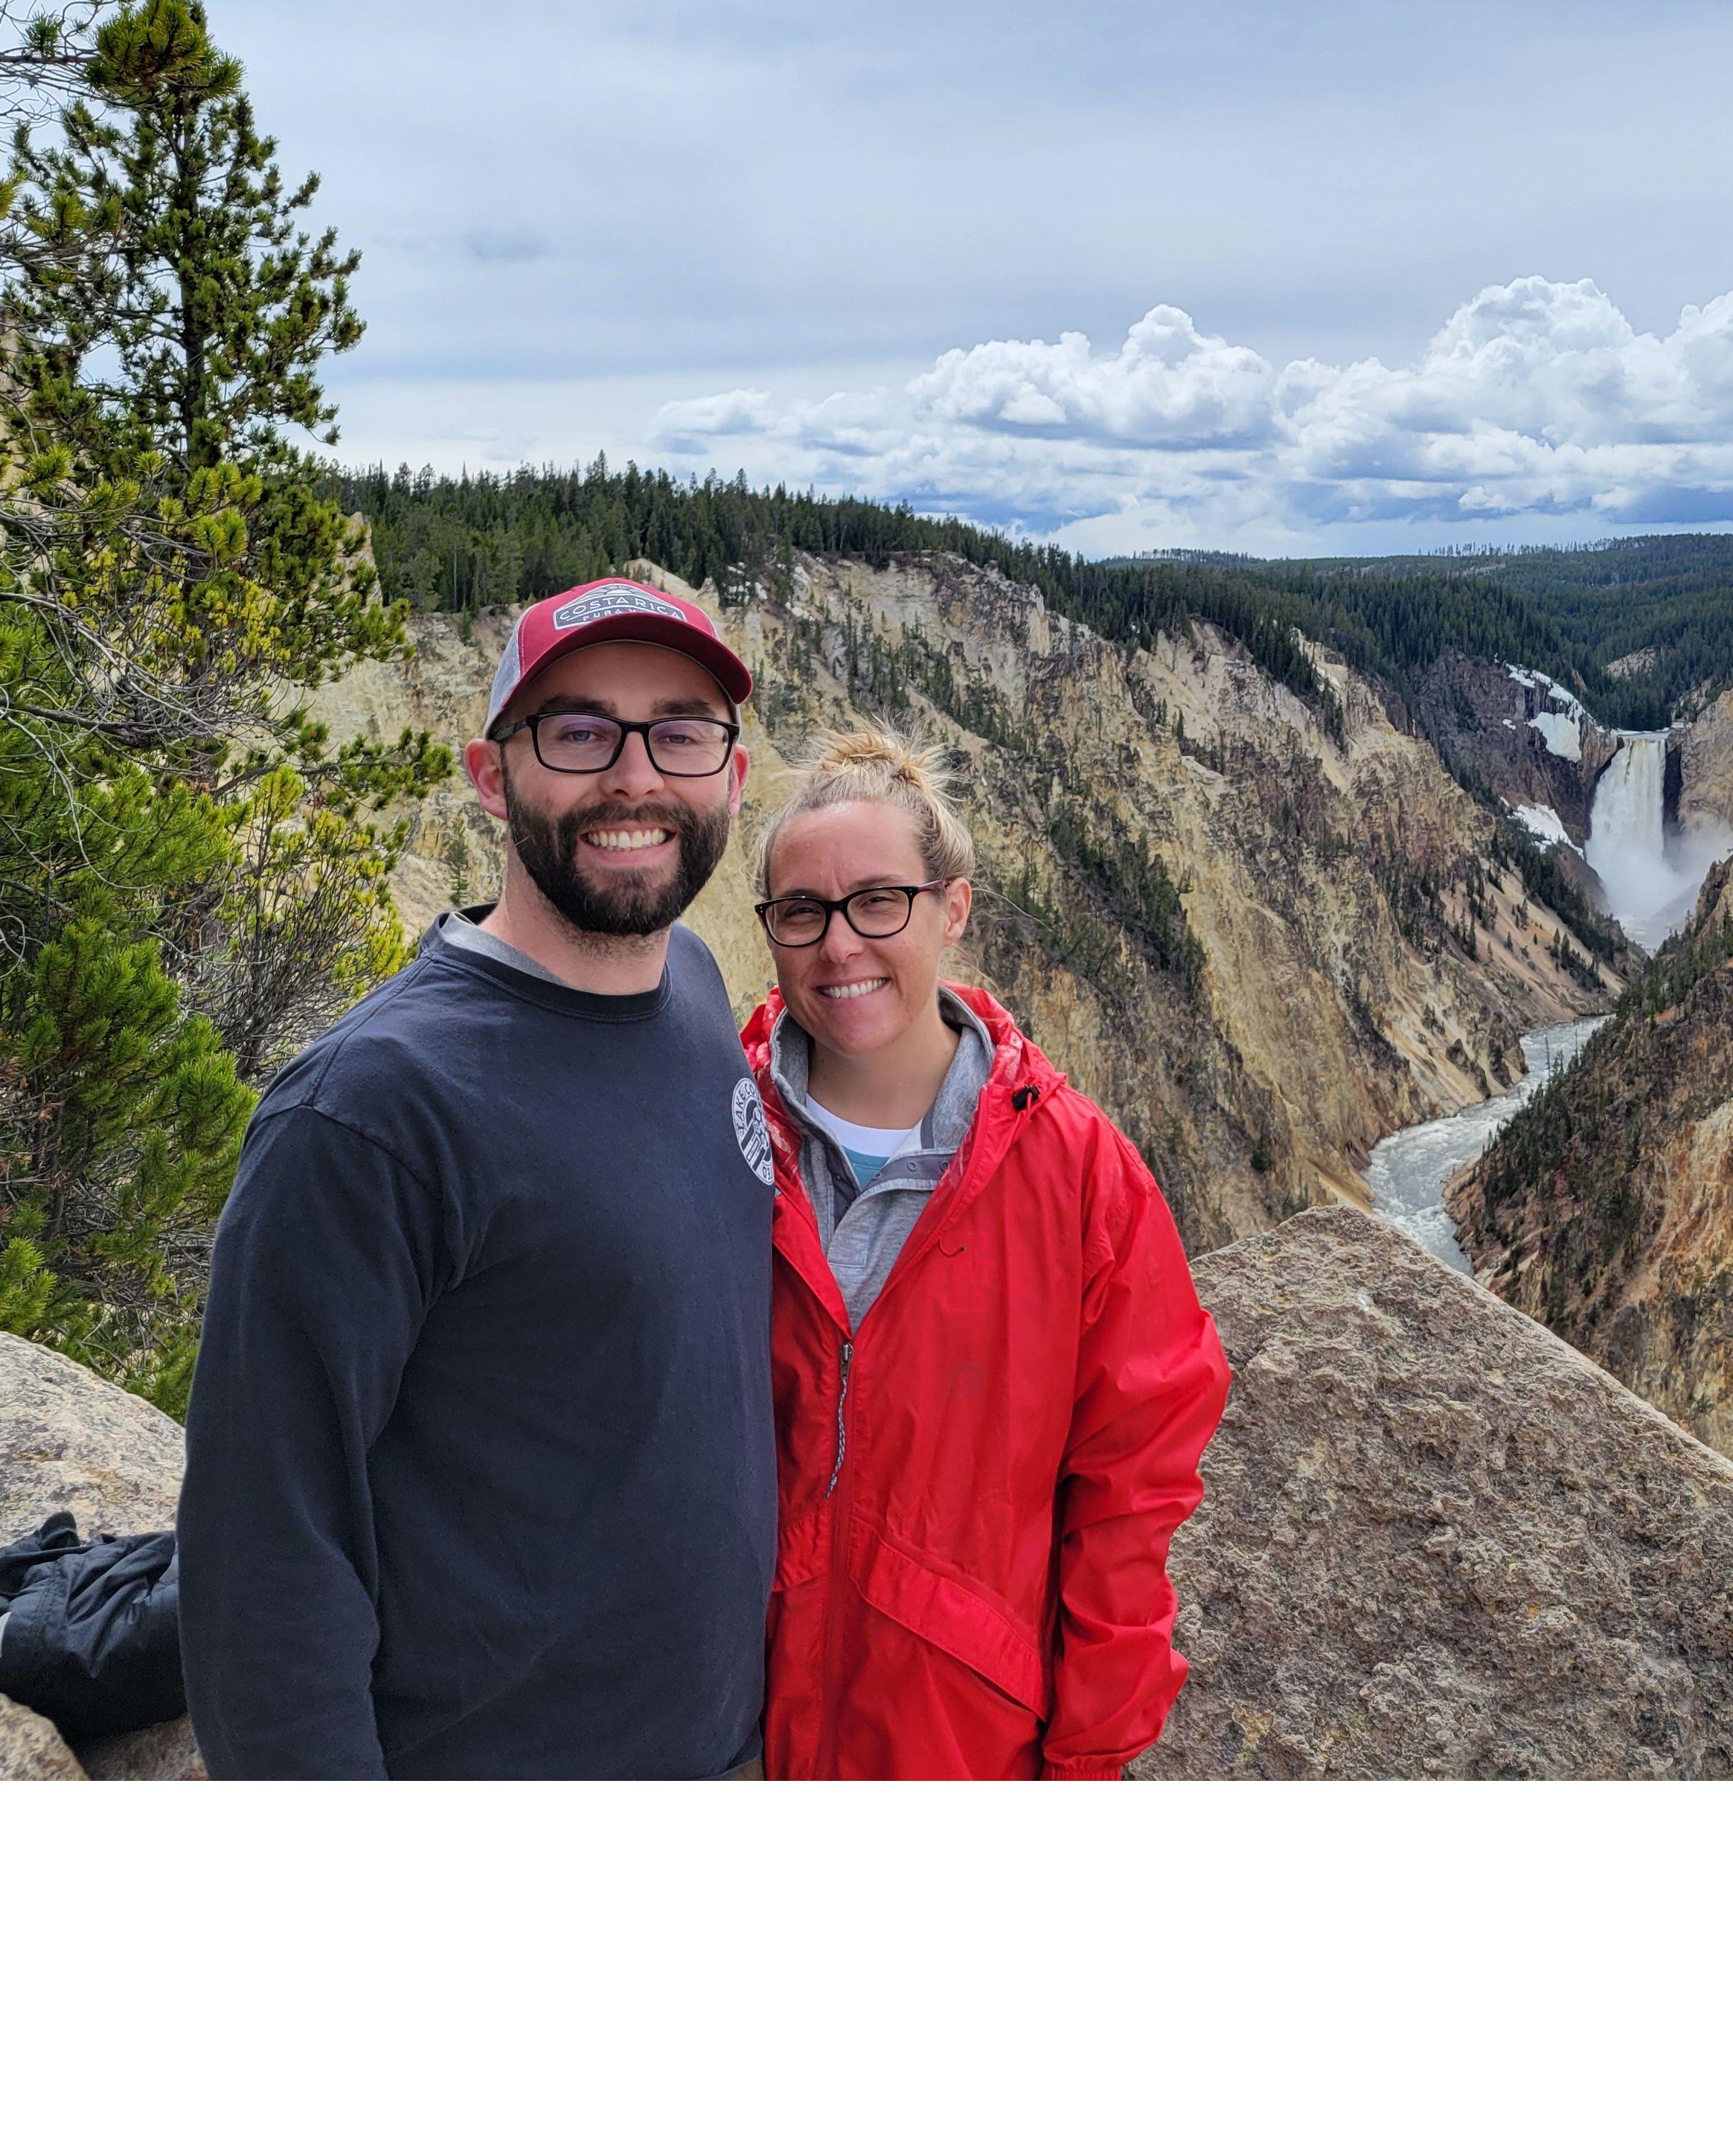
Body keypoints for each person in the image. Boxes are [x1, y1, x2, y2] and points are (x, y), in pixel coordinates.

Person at [178, 576, 776, 1779]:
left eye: (680, 730)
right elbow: (264, 1561)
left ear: (732, 774)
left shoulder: (700, 988)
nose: (635, 776)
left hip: (720, 1752)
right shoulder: (372, 1112)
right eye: (578, 731)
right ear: (491, 775)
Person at [745, 730, 1230, 1779]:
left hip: (957, 1741)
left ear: (951, 907)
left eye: (881, 902)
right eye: (803, 913)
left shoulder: (1080, 1176)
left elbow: (1127, 1505)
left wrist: (1089, 1760)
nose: (840, 946)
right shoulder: (708, 1131)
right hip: (728, 1729)